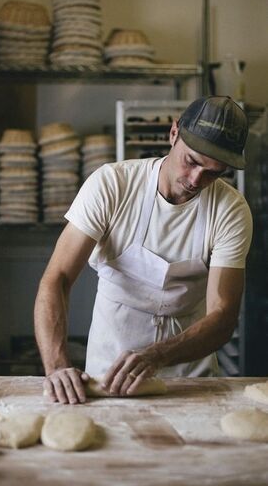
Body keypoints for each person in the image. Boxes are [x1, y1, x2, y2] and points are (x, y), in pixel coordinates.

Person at [34, 95, 253, 405]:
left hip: (189, 377)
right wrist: (56, 367)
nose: (195, 180)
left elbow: (223, 315)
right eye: (191, 161)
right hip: (108, 373)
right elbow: (57, 278)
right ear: (174, 133)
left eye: (213, 173)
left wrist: (158, 355)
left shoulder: (230, 210)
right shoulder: (113, 185)